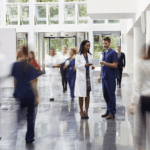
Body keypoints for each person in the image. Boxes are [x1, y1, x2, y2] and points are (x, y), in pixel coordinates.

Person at [11, 46, 42, 143]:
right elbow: (34, 82)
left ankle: (19, 123)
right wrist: (36, 96)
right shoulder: (30, 67)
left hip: (21, 94)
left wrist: (15, 92)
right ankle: (29, 137)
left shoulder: (15, 65)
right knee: (31, 116)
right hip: (29, 94)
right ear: (28, 54)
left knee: (21, 114)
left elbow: (15, 80)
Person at [129, 45, 150, 150]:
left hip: (145, 98)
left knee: (142, 126)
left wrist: (133, 103)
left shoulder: (139, 64)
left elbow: (137, 84)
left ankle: (140, 147)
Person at [75, 40, 95, 119]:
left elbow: (91, 64)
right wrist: (85, 65)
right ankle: (81, 111)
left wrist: (92, 66)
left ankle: (86, 111)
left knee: (87, 95)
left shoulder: (90, 55)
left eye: (89, 46)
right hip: (81, 78)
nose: (88, 47)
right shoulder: (78, 55)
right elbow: (77, 66)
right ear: (83, 46)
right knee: (81, 95)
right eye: (87, 45)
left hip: (88, 77)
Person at [99, 37, 118, 120]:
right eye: (103, 43)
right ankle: (108, 110)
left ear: (109, 43)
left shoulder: (113, 52)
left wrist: (105, 63)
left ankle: (112, 113)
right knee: (105, 95)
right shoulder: (104, 53)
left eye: (106, 43)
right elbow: (102, 65)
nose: (104, 45)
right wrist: (100, 75)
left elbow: (115, 65)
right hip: (104, 77)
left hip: (110, 77)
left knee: (111, 95)